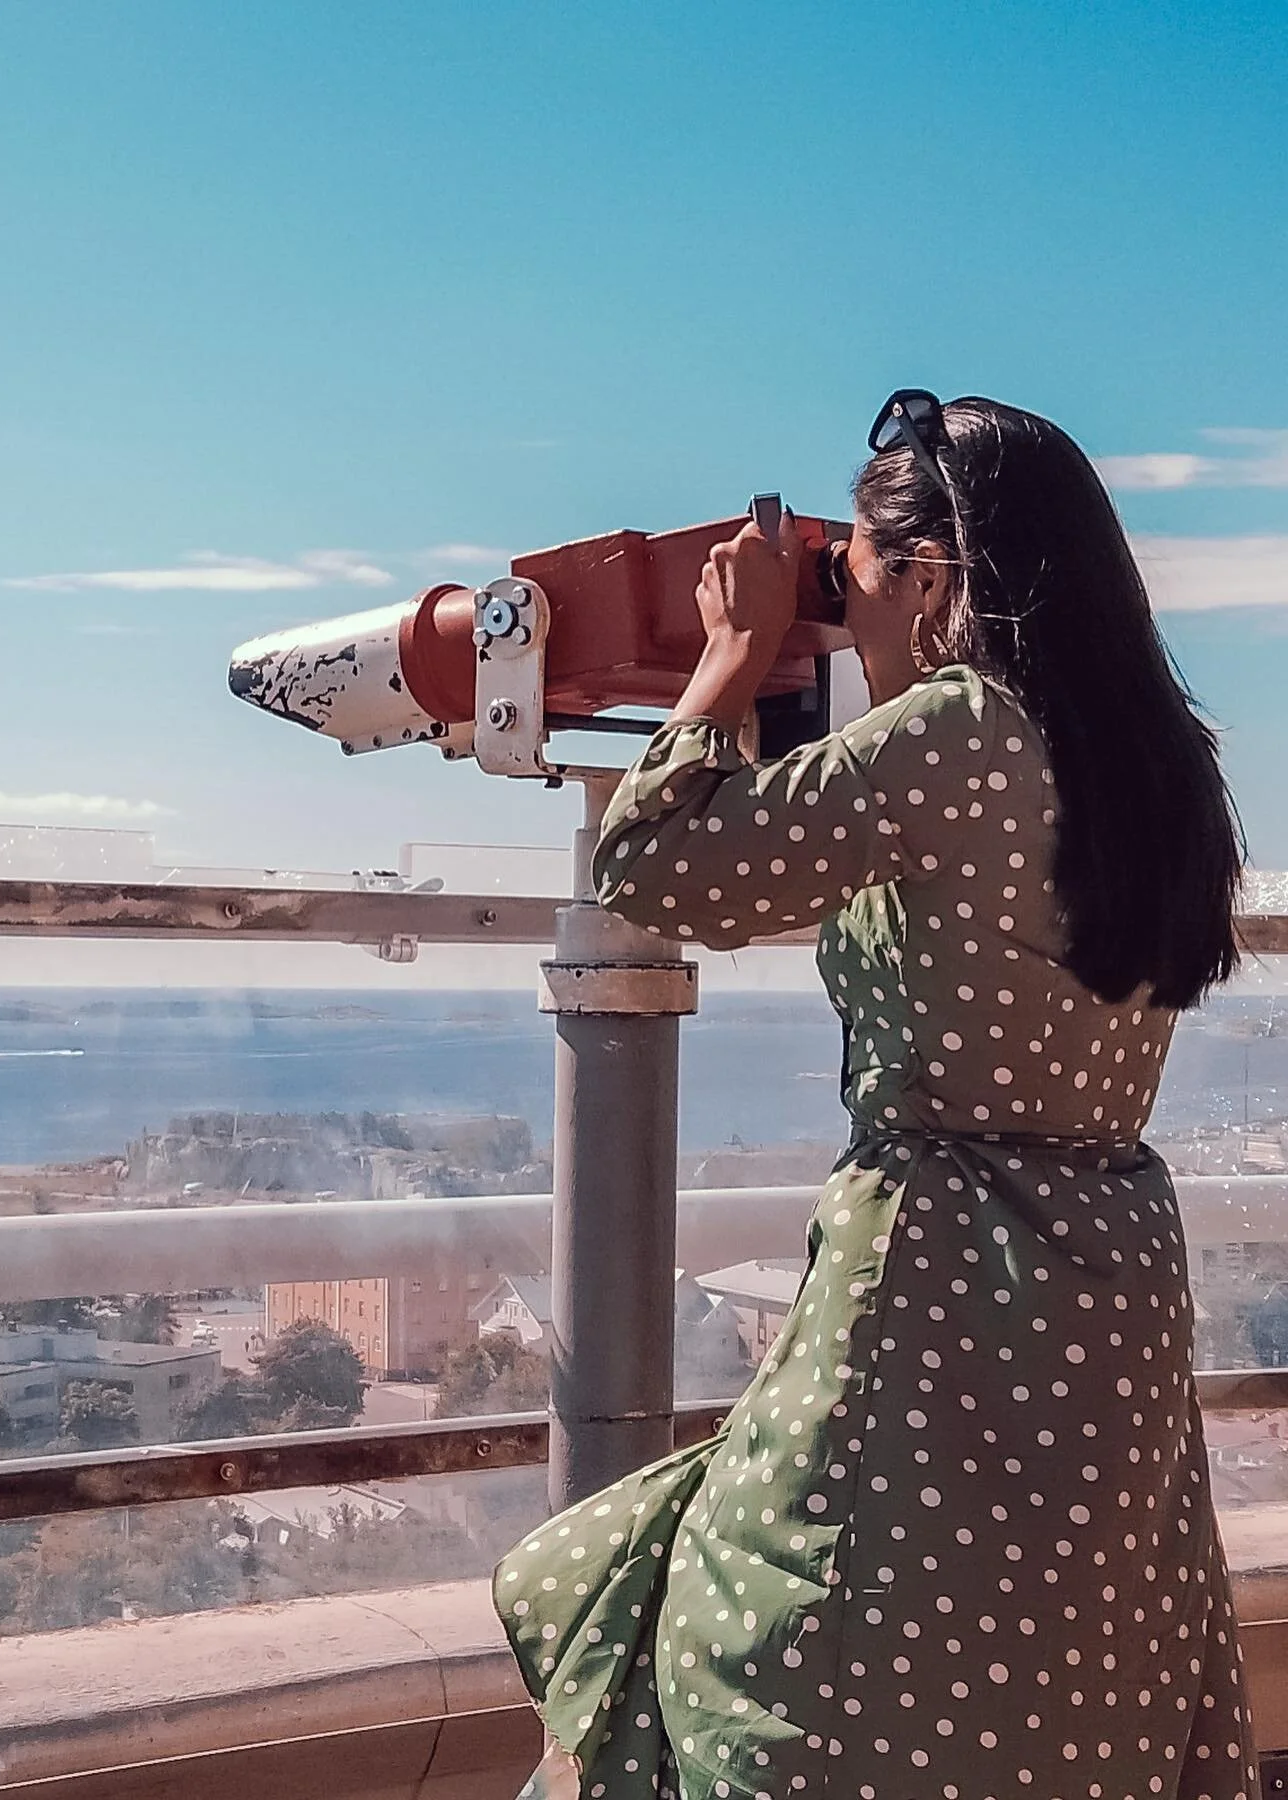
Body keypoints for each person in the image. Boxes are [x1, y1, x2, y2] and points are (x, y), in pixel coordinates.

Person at [493, 392, 1256, 1800]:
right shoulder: (1168, 761)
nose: (841, 614)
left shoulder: (959, 733)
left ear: (934, 572)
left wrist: (726, 656)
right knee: (1063, 1641)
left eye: (847, 574)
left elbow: (660, 878)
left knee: (758, 1611)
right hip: (1110, 1285)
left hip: (943, 1276)